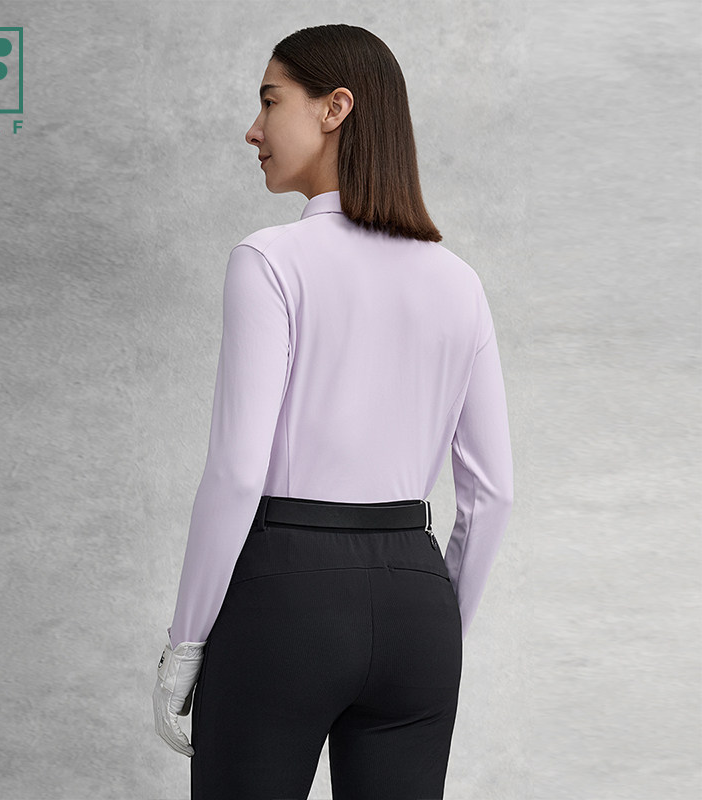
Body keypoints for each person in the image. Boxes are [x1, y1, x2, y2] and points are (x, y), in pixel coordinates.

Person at [152, 23, 514, 800]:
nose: (253, 130)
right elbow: (493, 495)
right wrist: (436, 625)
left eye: (269, 101)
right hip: (418, 600)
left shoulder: (270, 260)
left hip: (287, 595)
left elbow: (237, 471)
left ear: (334, 108)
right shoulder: (459, 281)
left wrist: (185, 643)